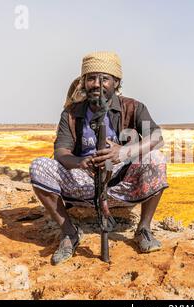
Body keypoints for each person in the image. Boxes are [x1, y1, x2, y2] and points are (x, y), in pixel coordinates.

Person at [29, 52, 168, 265]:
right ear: (84, 82)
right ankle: (69, 233)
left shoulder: (133, 107)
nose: (97, 84)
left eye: (104, 79)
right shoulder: (71, 113)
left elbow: (156, 138)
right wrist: (81, 163)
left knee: (155, 157)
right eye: (91, 78)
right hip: (83, 182)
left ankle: (143, 230)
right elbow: (61, 153)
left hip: (122, 182)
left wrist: (122, 152)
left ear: (116, 82)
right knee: (39, 166)